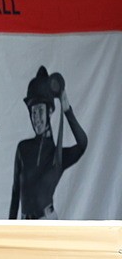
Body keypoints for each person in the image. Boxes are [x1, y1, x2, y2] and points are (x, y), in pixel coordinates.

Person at [9, 67, 88, 220]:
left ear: (50, 111)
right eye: (33, 112)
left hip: (48, 223)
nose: (36, 118)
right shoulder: (22, 149)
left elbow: (82, 144)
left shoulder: (58, 156)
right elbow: (15, 192)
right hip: (24, 224)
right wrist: (8, 230)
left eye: (39, 111)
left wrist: (66, 109)